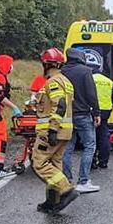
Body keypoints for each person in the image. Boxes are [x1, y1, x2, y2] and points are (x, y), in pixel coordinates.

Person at [33, 48, 79, 214]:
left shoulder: (53, 82)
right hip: (65, 131)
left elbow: (59, 104)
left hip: (52, 131)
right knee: (54, 165)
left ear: (46, 64)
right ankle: (52, 201)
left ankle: (66, 190)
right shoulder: (66, 81)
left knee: (40, 163)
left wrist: (52, 129)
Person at [61, 48, 101, 194]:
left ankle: (66, 180)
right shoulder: (85, 71)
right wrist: (97, 112)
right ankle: (83, 181)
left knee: (67, 148)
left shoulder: (62, 71)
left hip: (66, 116)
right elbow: (91, 94)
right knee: (89, 146)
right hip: (83, 114)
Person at [91, 59, 113, 169]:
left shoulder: (90, 79)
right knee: (104, 136)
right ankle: (104, 161)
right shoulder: (108, 81)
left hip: (92, 110)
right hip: (105, 111)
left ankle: (92, 162)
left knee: (92, 136)